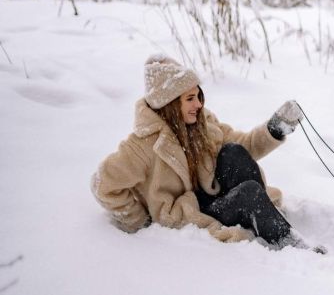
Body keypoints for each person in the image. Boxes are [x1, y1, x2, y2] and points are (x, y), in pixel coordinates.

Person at [92, 54, 308, 248]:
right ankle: (289, 244)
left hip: (213, 194)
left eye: (198, 96)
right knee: (249, 192)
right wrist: (139, 220)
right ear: (170, 103)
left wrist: (275, 128)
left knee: (233, 152)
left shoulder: (203, 122)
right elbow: (103, 185)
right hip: (192, 213)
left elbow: (245, 146)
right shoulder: (143, 146)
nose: (198, 104)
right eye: (189, 99)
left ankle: (264, 217)